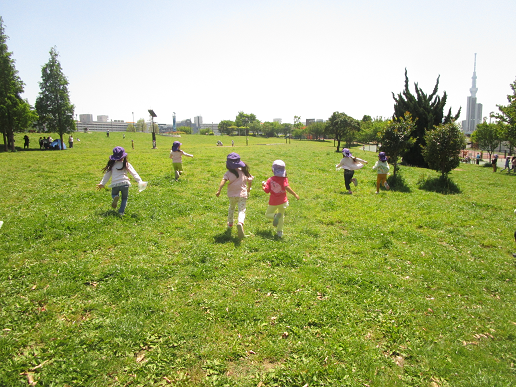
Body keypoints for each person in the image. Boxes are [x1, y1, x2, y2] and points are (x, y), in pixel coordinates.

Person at [215, 153, 253, 239]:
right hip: (242, 195)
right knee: (241, 210)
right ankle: (240, 223)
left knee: (231, 208)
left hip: (232, 195)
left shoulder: (228, 173)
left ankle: (230, 223)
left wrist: (219, 190)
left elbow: (223, 181)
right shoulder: (243, 171)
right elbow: (250, 180)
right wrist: (249, 188)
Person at [96, 146, 143, 216]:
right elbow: (134, 173)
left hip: (115, 184)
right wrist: (140, 181)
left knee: (114, 194)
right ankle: (121, 212)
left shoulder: (112, 165)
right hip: (125, 184)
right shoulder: (126, 164)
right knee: (124, 198)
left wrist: (102, 183)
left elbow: (107, 175)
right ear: (123, 156)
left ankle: (115, 197)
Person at [262, 160, 300, 238]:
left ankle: (275, 216)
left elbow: (266, 190)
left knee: (268, 214)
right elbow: (287, 187)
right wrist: (295, 194)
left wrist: (263, 186)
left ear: (272, 170)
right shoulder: (284, 179)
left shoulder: (270, 180)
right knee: (281, 216)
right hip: (283, 201)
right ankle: (280, 232)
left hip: (273, 202)